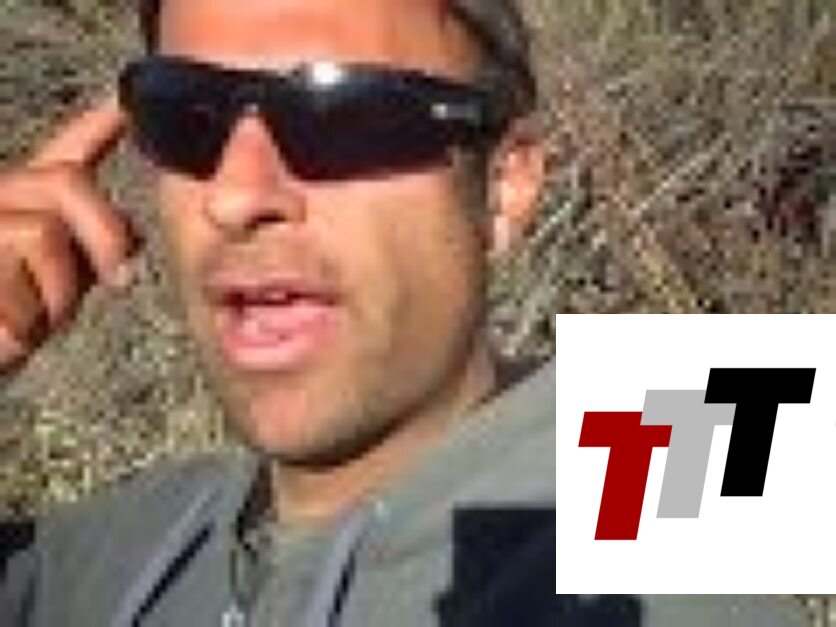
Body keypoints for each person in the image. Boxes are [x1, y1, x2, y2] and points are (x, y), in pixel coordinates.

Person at [0, 1, 813, 625]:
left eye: (347, 117)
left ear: (503, 189)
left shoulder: (654, 483)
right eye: (186, 115)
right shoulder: (116, 549)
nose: (236, 197)